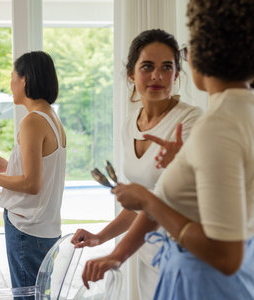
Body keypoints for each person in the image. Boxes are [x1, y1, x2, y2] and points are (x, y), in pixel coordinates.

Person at [81, 1, 254, 299]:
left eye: (177, 58)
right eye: (147, 67)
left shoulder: (212, 125)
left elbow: (225, 255)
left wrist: (145, 198)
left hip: (202, 279)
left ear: (200, 53)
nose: (158, 75)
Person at [71, 29, 202, 300]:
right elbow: (139, 204)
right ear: (131, 73)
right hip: (148, 256)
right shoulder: (130, 124)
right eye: (147, 66)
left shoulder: (190, 122)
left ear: (177, 75)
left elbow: (162, 200)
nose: (157, 75)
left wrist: (118, 254)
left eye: (167, 67)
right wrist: (100, 237)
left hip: (187, 256)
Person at [0, 51, 66, 294]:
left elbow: (32, 184)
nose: (10, 84)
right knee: (41, 294)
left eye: (12, 77)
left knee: (27, 295)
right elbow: (38, 172)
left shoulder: (32, 121)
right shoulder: (52, 118)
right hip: (46, 227)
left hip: (27, 228)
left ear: (25, 80)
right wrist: (7, 166)